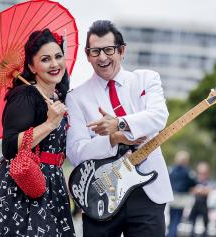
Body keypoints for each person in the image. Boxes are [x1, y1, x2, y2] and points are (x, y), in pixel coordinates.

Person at [0, 29, 76, 237]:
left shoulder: (59, 97)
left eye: (58, 56)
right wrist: (49, 123)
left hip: (53, 184)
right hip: (21, 187)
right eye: (45, 59)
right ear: (32, 67)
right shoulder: (25, 95)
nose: (54, 64)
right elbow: (9, 147)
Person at [66, 20, 173, 237]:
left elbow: (159, 116)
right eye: (95, 51)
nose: (103, 57)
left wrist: (119, 123)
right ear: (87, 55)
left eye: (109, 50)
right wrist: (112, 139)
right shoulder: (76, 97)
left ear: (122, 50)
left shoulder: (146, 79)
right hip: (100, 196)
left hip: (148, 192)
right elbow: (76, 153)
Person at [167, 151, 197, 237]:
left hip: (172, 197)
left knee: (172, 219)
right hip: (181, 199)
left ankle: (170, 234)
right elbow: (194, 183)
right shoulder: (188, 172)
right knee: (176, 220)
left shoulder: (171, 169)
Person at [189, 162, 212, 237]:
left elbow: (208, 191)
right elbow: (191, 190)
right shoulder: (195, 180)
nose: (202, 175)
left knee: (205, 224)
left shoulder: (208, 181)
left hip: (204, 205)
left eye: (204, 173)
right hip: (195, 205)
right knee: (192, 223)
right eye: (201, 173)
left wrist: (200, 190)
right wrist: (199, 190)